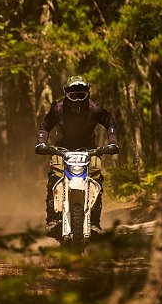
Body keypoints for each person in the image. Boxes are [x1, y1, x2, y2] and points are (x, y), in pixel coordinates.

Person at [35, 75, 119, 234]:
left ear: (88, 94)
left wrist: (113, 142)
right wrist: (42, 143)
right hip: (61, 149)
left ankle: (94, 222)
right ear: (66, 94)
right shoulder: (57, 109)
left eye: (81, 95)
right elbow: (45, 126)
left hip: (89, 149)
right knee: (55, 177)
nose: (78, 100)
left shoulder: (95, 108)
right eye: (74, 95)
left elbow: (110, 123)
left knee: (96, 179)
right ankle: (52, 219)